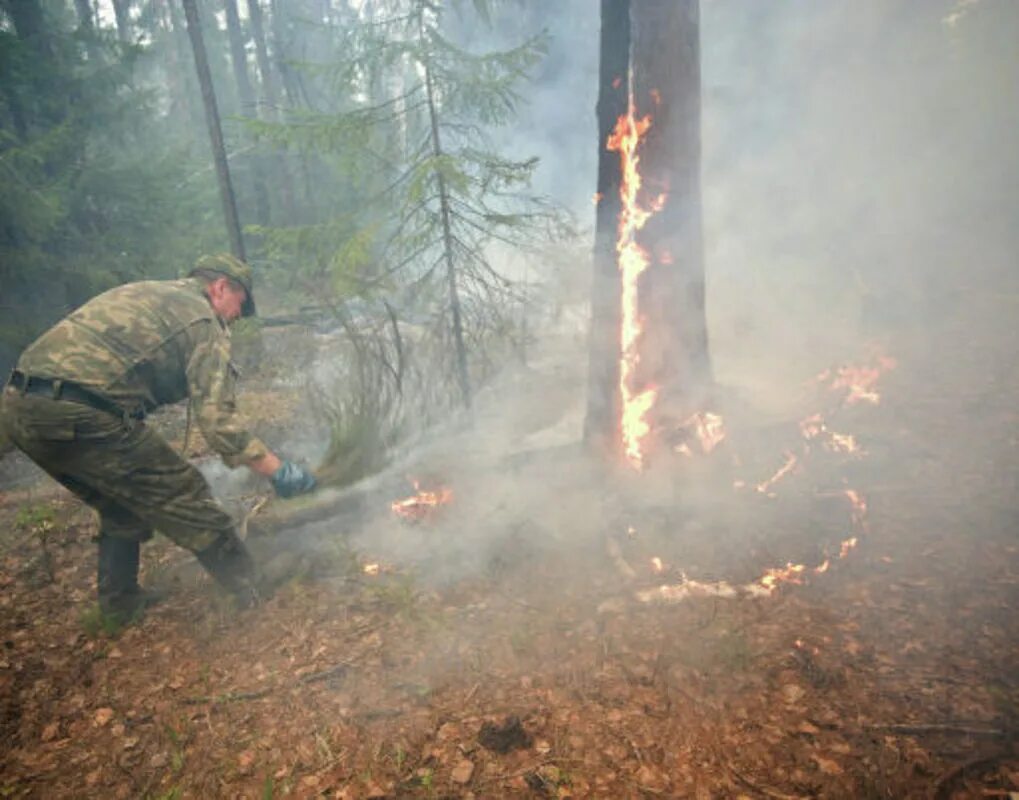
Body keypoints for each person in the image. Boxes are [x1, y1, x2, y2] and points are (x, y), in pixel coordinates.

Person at [0, 254, 317, 620]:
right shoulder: (202, 322)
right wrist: (279, 471)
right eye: (240, 304)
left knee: (120, 503)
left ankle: (119, 607)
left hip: (18, 403)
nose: (237, 316)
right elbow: (217, 423)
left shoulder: (149, 293)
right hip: (81, 412)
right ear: (220, 288)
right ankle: (250, 586)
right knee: (183, 490)